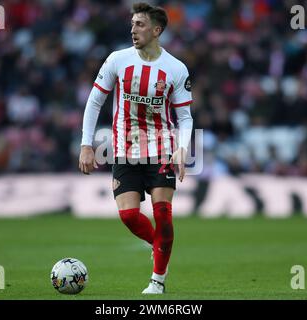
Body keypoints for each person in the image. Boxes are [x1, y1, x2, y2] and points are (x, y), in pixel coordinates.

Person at [79, 2, 193, 294]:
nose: (133, 29)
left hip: (162, 148)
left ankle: (157, 281)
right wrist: (86, 144)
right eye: (132, 24)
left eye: (140, 24)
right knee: (129, 216)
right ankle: (158, 246)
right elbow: (95, 102)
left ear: (157, 30)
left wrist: (182, 148)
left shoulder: (176, 69)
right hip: (124, 150)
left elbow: (184, 116)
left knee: (163, 213)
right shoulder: (118, 60)